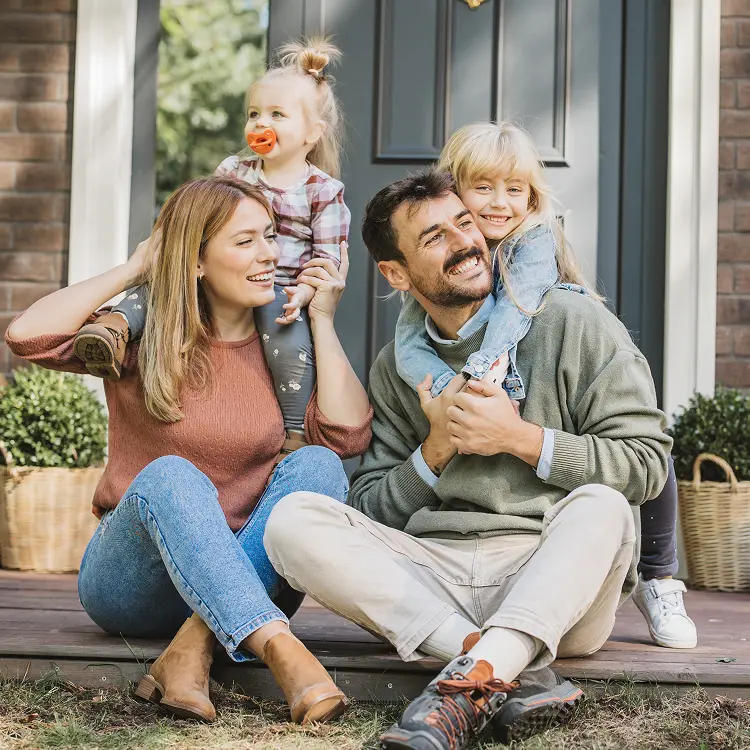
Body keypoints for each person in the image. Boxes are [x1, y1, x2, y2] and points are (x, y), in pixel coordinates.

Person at [263, 170, 672, 750]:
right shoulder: (397, 367)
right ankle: (497, 663)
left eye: (464, 222)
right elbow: (372, 506)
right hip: (434, 579)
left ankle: (468, 679)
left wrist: (520, 439)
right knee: (292, 519)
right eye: (434, 237)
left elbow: (647, 463)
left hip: (553, 578)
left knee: (604, 506)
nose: (465, 242)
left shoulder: (574, 323)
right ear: (395, 274)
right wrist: (436, 448)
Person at [5, 177, 371, 725]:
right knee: (172, 475)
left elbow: (346, 437)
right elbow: (28, 335)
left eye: (270, 236)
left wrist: (321, 319)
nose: (269, 253)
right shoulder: (136, 334)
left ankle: (192, 648)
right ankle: (281, 648)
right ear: (196, 261)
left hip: (249, 572)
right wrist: (135, 268)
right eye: (245, 241)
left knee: (317, 464)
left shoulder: (286, 344)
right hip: (135, 583)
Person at [397, 121, 696, 650]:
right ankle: (473, 641)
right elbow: (408, 338)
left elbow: (517, 316)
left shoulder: (531, 250)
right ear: (450, 192)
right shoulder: (439, 267)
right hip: (453, 555)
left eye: (514, 190)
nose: (498, 204)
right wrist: (443, 396)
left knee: (645, 444)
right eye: (482, 188)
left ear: (532, 197)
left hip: (542, 359)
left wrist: (485, 380)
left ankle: (660, 575)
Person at [72, 37, 349, 461]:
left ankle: (293, 434)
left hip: (281, 289)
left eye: (277, 114)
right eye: (254, 114)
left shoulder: (323, 191)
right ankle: (113, 330)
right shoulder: (233, 171)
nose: (261, 123)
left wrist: (307, 294)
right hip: (219, 276)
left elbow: (327, 256)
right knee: (160, 287)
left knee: (291, 348)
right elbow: (204, 214)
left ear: (312, 133)